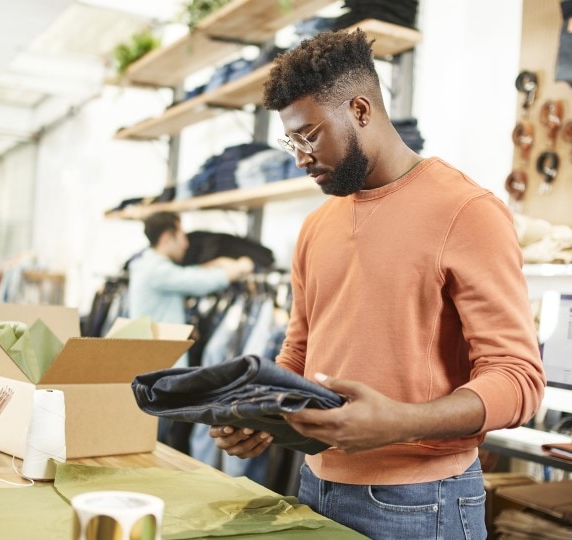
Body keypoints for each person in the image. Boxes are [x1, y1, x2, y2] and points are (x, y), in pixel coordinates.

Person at [209, 29, 545, 539]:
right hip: (313, 486)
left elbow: (519, 379)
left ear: (361, 110)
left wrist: (400, 421)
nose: (299, 156)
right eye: (291, 140)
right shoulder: (317, 225)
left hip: (422, 503)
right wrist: (260, 413)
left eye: (309, 135)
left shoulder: (468, 212)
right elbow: (297, 356)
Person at [128, 211, 254, 362]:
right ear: (167, 238)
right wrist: (241, 266)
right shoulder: (156, 271)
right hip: (160, 362)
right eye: (182, 236)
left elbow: (187, 273)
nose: (186, 243)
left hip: (155, 359)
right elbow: (203, 281)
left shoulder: (147, 264)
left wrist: (217, 263)